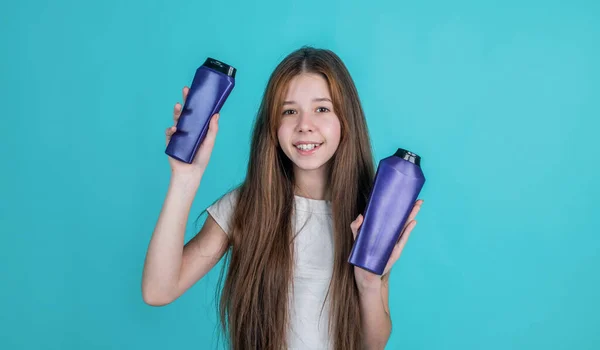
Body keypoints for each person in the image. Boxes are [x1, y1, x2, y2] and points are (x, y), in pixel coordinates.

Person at [142, 46, 424, 350]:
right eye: (289, 111)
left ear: (346, 119)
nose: (305, 125)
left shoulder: (366, 216)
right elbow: (158, 290)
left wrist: (369, 283)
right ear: (272, 127)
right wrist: (185, 179)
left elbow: (373, 345)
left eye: (322, 109)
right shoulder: (247, 206)